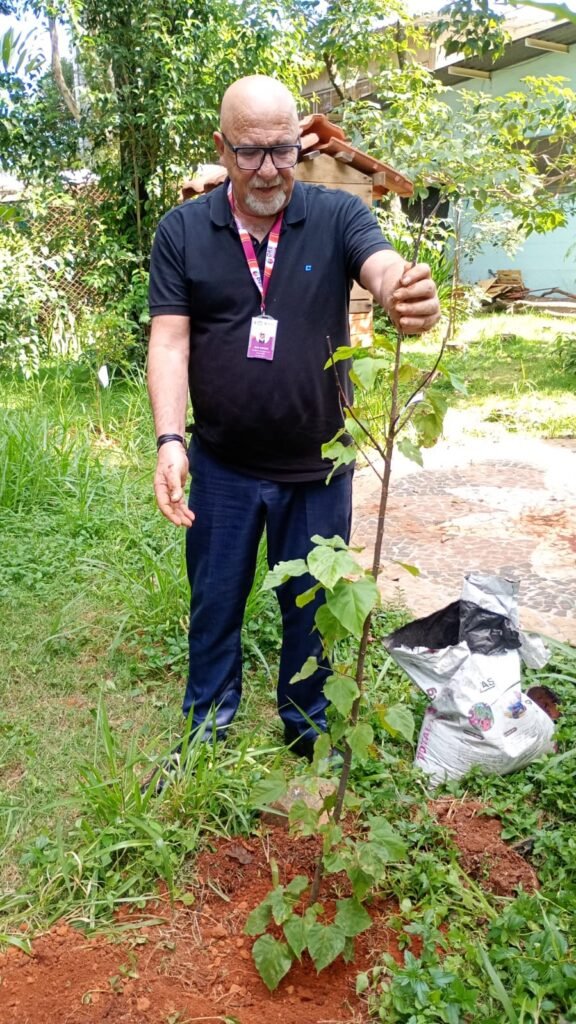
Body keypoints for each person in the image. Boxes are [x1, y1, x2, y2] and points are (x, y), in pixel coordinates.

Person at [147, 75, 440, 762]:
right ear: (222, 148)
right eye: (250, 152)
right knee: (214, 602)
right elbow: (170, 342)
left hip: (318, 469)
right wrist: (170, 440)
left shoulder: (336, 216)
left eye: (282, 149)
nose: (268, 169)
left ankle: (308, 730)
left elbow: (380, 265)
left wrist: (402, 291)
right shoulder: (183, 231)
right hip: (221, 464)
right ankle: (206, 730)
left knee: (312, 610)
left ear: (298, 144)